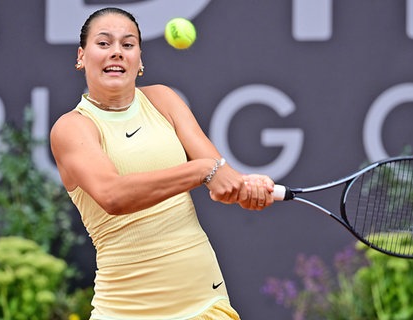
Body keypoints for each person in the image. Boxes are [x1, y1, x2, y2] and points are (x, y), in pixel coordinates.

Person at [50, 7, 275, 320]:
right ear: (81, 57)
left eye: (128, 45)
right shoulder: (72, 127)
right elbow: (113, 195)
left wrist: (247, 187)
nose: (116, 52)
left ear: (140, 60)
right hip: (125, 311)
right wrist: (202, 171)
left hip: (204, 303)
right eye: (104, 44)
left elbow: (219, 173)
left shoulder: (163, 100)